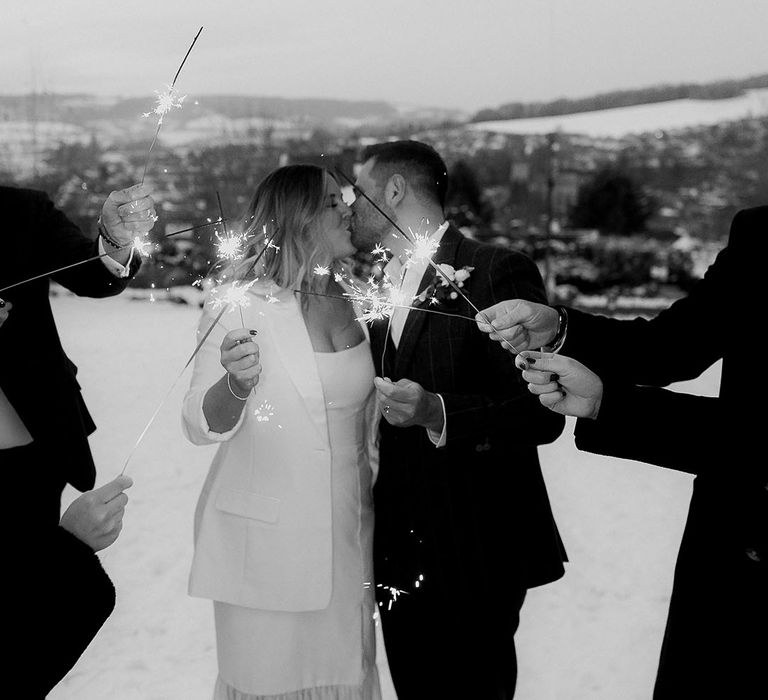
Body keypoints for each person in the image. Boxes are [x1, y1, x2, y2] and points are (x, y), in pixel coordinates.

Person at [477, 205, 768, 699]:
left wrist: (608, 405)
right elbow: (673, 346)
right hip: (733, 557)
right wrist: (560, 329)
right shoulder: (763, 234)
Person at [349, 140, 566, 700]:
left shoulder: (498, 270)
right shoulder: (380, 285)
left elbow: (539, 413)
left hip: (478, 547)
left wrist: (435, 410)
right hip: (398, 550)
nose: (351, 204)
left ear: (393, 190)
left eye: (360, 189)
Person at [182, 164, 382, 700]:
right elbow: (199, 424)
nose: (347, 209)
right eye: (331, 202)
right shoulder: (239, 303)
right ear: (296, 218)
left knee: (347, 678)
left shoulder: (355, 298)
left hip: (349, 538)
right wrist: (236, 383)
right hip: (266, 550)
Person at [0, 182, 154, 695]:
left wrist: (113, 238)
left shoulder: (20, 209)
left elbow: (94, 275)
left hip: (30, 455)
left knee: (32, 610)